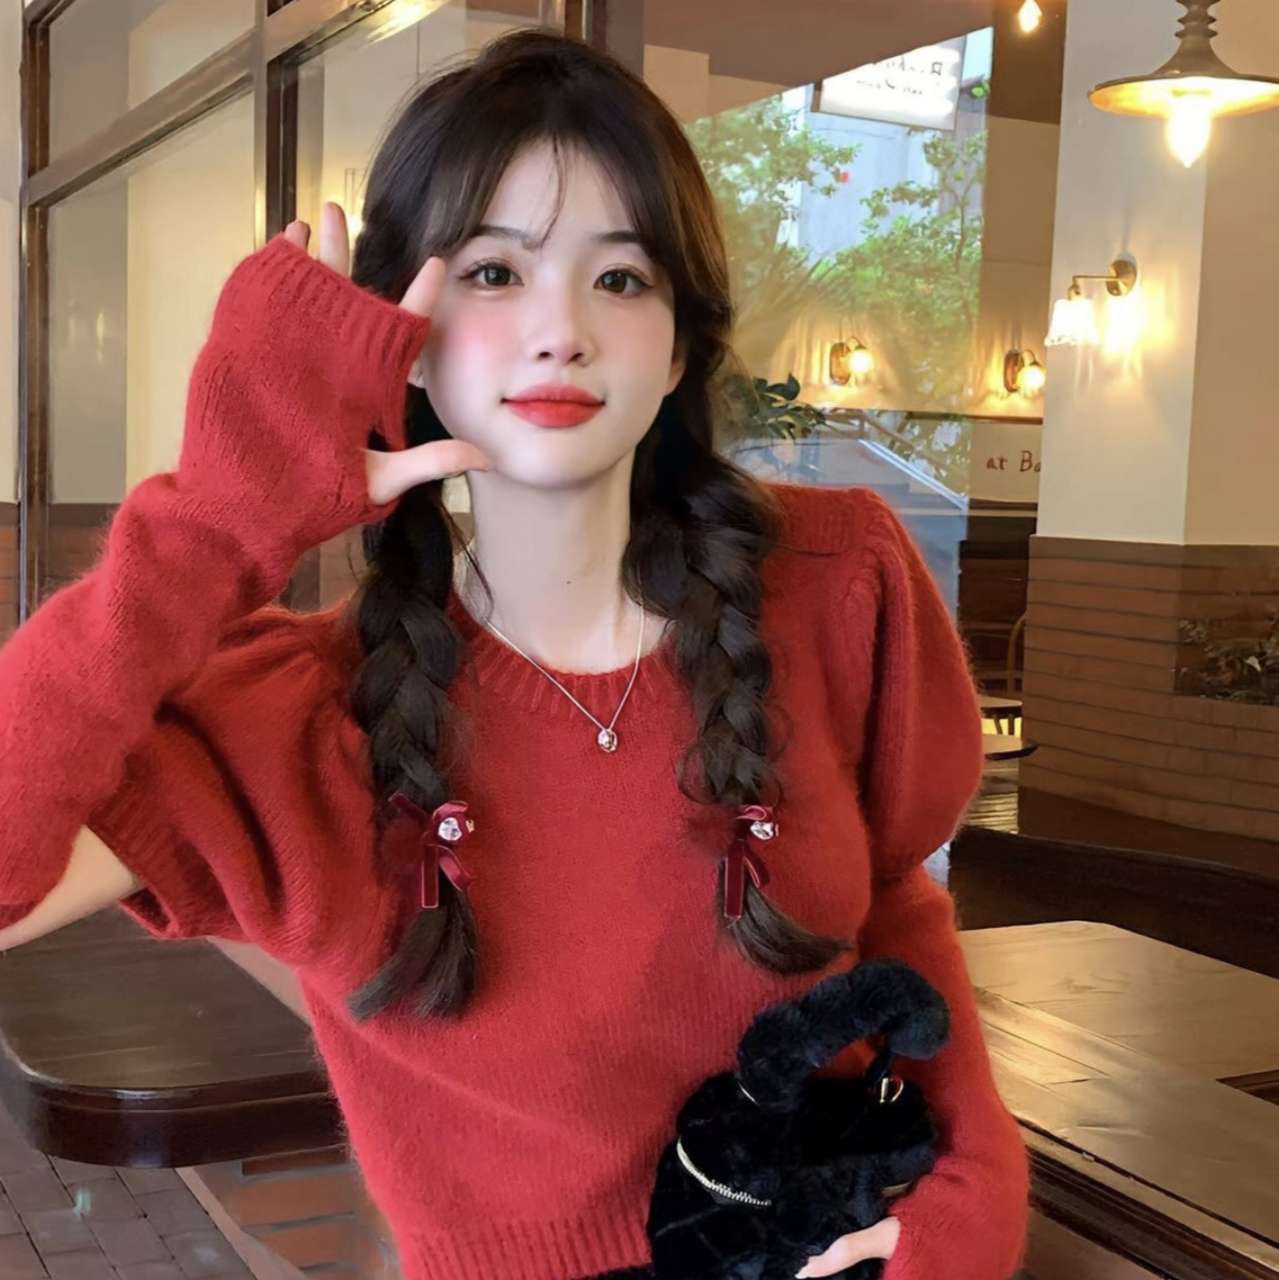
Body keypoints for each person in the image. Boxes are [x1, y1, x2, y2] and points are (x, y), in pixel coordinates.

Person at [0, 28, 1028, 1280]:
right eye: (493, 272)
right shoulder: (296, 716)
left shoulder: (833, 577)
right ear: (404, 333)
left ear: (679, 342)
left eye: (621, 277)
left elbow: (898, 900)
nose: (561, 330)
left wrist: (966, 1207)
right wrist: (218, 518)